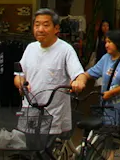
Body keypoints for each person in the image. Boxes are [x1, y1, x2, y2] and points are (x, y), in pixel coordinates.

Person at [14, 9, 87, 151]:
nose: (40, 29)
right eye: (37, 25)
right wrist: (20, 82)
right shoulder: (30, 48)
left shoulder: (65, 50)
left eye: (46, 25)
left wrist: (79, 82)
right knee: (29, 151)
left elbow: (79, 74)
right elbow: (19, 75)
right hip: (30, 111)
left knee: (45, 152)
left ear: (56, 29)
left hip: (53, 113)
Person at [73, 30, 120, 160]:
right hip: (111, 110)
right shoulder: (106, 59)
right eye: (106, 42)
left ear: (118, 43)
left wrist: (111, 92)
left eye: (110, 42)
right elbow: (90, 73)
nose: (106, 45)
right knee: (108, 143)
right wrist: (80, 79)